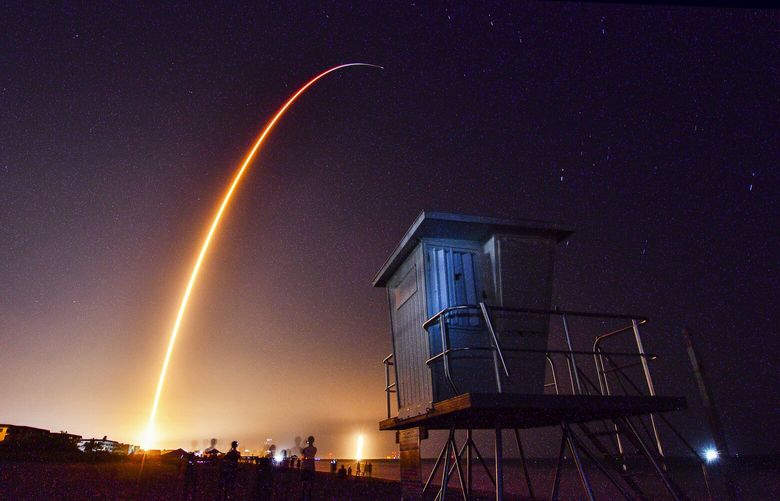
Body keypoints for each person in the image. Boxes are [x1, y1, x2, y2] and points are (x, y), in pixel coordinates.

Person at [301, 435, 317, 501]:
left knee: (304, 482)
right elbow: (312, 455)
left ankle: (303, 496)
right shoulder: (315, 449)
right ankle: (309, 496)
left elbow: (304, 455)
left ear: (308, 441)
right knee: (310, 482)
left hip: (306, 466)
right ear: (313, 441)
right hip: (311, 465)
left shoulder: (305, 449)